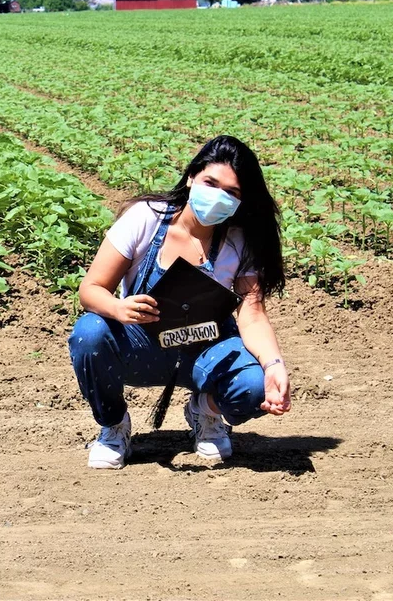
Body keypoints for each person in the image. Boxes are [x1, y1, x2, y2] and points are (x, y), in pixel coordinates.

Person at [68, 135, 291, 469]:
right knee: (90, 333)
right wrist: (118, 308)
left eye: (231, 193)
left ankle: (206, 410)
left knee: (254, 386)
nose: (218, 196)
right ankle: (114, 425)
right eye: (210, 183)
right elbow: (92, 288)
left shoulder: (239, 242)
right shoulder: (146, 218)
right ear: (191, 178)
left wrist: (274, 365)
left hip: (205, 348)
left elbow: (252, 315)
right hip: (141, 342)